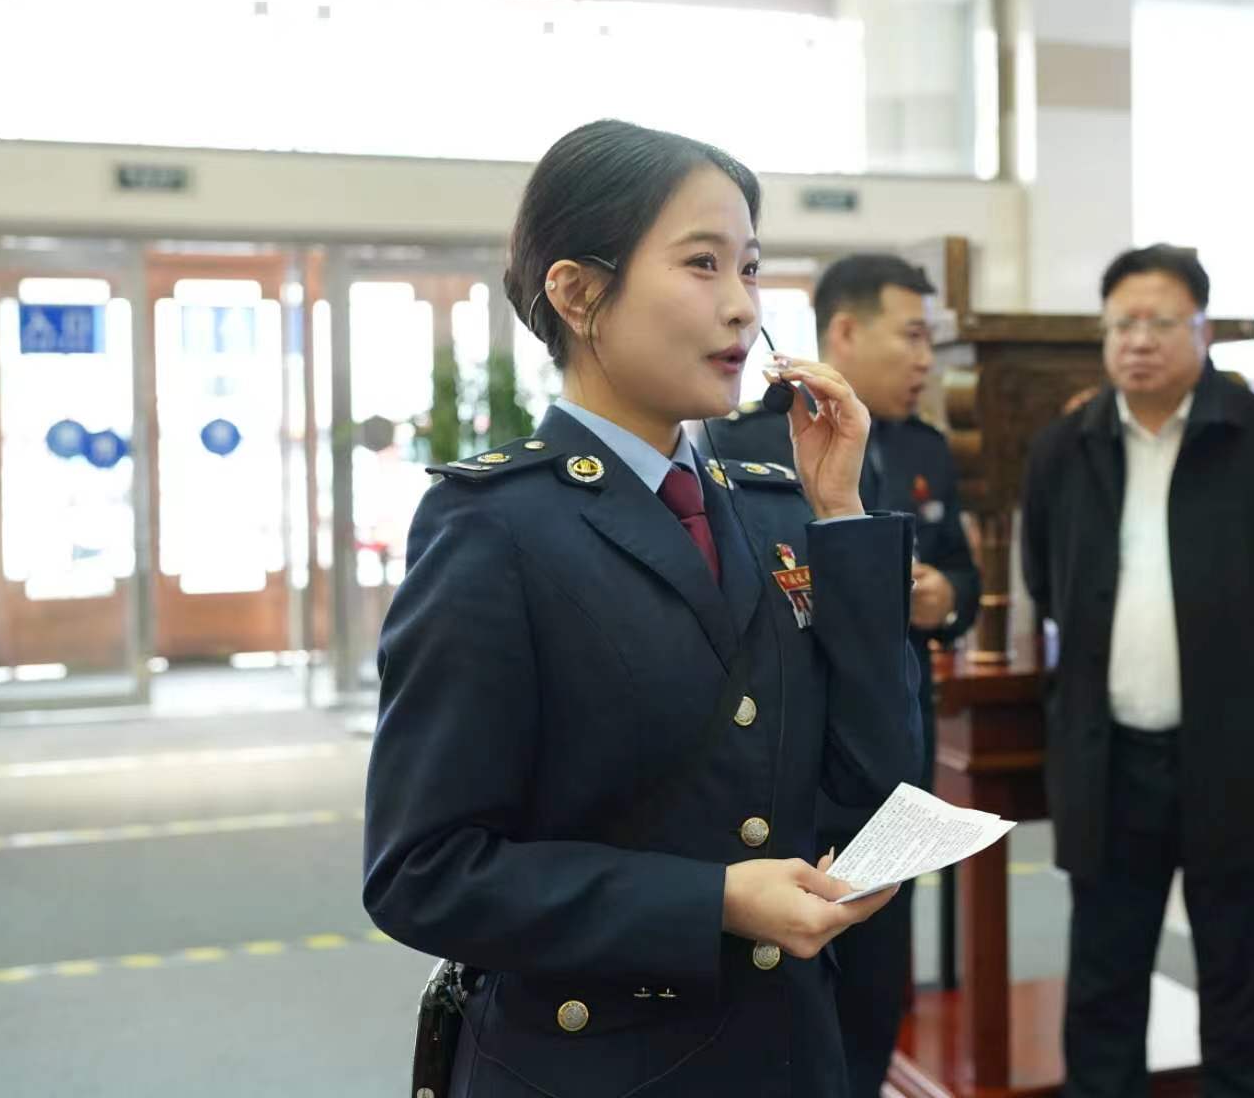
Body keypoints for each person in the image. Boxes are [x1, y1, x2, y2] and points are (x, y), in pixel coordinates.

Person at [362, 119, 923, 1098]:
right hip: (599, 1064)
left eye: (750, 268)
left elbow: (876, 783)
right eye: (702, 264)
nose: (741, 306)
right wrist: (711, 900)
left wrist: (840, 513)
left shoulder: (771, 509)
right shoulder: (496, 528)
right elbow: (425, 871)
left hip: (785, 1053)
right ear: (578, 293)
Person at [1021, 244, 1254, 1098]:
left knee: (1242, 989)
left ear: (1201, 331)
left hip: (1240, 752)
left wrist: (1253, 657)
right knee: (1103, 986)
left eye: (1160, 322)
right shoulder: (1066, 446)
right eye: (1121, 324)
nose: (1138, 341)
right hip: (1110, 759)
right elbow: (1045, 580)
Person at [706, 253, 982, 1098]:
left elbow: (962, 577)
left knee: (873, 991)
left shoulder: (924, 446)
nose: (925, 359)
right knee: (790, 1006)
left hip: (890, 747)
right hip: (793, 770)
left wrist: (941, 599)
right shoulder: (742, 445)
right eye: (911, 336)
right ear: (847, 331)